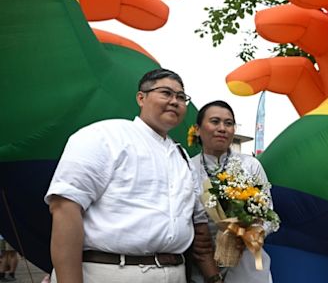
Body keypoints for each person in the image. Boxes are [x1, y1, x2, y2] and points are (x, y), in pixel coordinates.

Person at [44, 69, 223, 283]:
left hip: (175, 273)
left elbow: (197, 226)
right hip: (109, 271)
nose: (175, 101)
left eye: (181, 97)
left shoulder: (182, 156)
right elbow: (65, 206)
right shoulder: (105, 135)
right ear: (141, 97)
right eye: (166, 93)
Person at [189, 100, 274, 283]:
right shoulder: (188, 167)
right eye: (215, 121)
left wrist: (249, 233)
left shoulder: (250, 165)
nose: (222, 128)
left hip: (248, 265)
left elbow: (268, 216)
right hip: (204, 265)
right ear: (197, 129)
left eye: (228, 123)